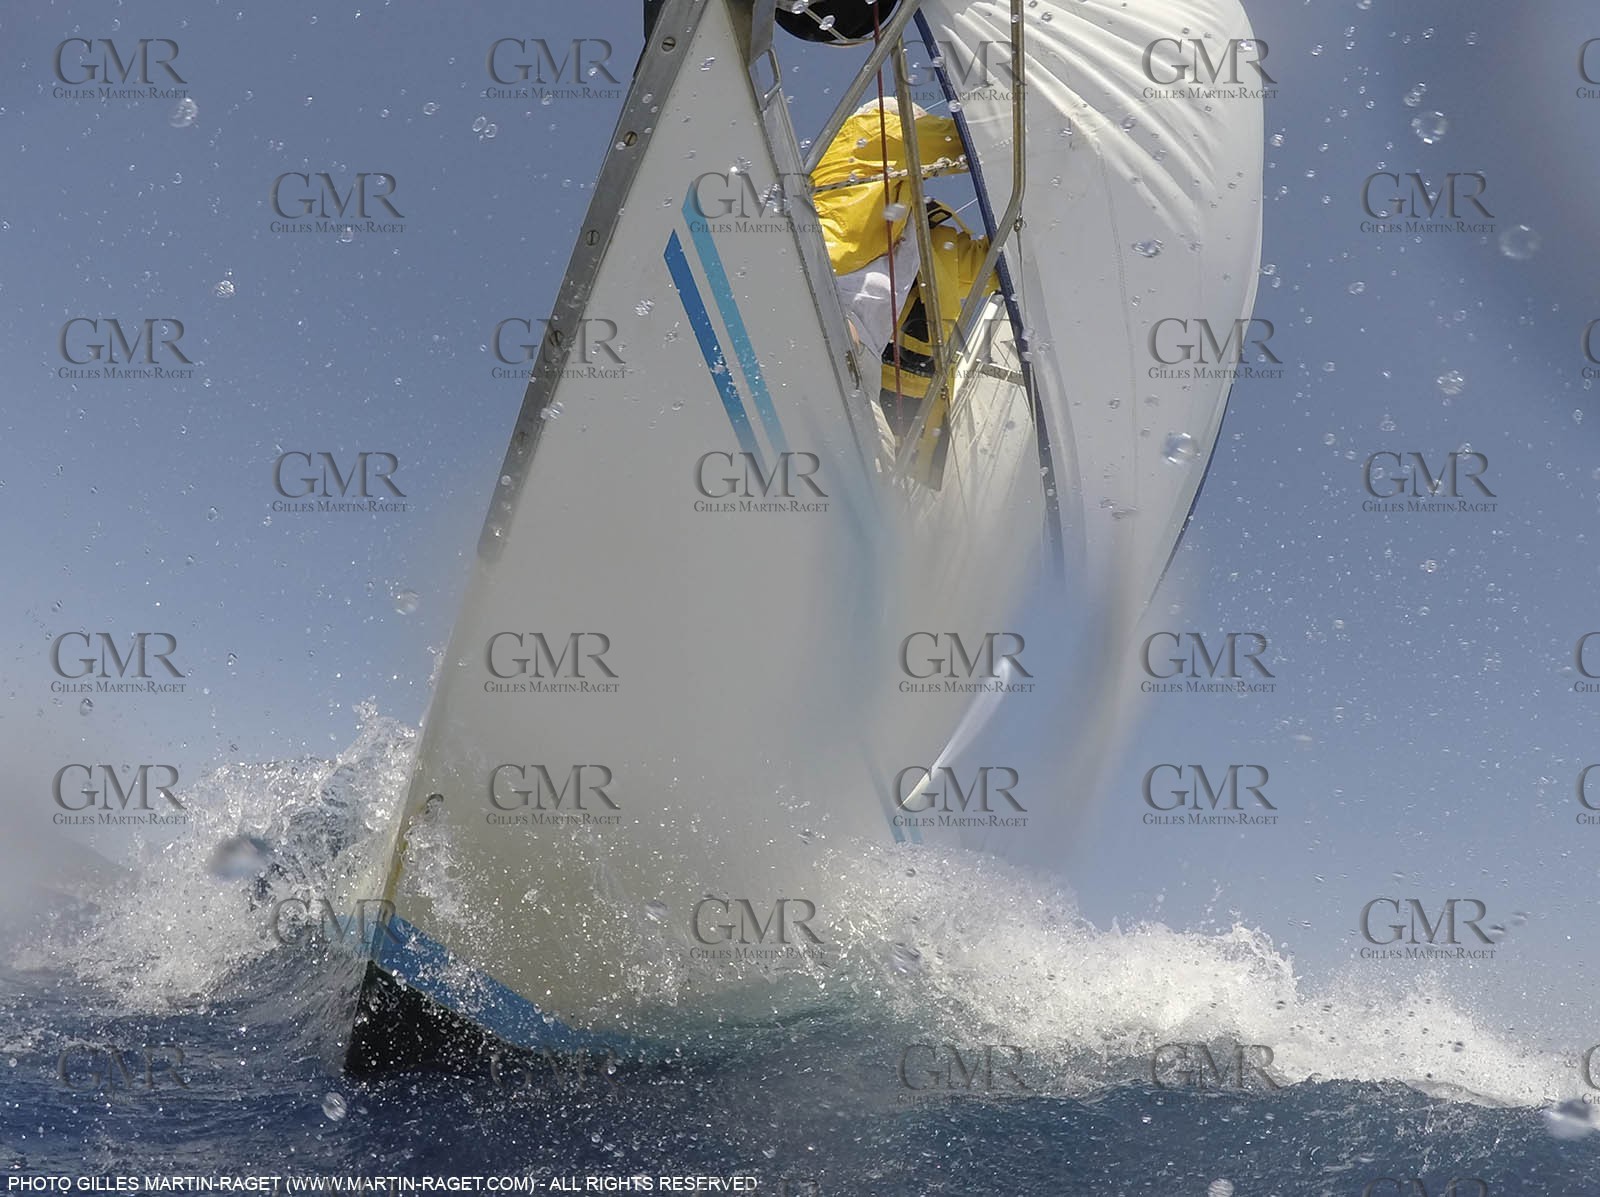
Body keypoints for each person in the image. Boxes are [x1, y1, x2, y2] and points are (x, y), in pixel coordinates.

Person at [810, 98, 999, 456]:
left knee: (868, 468)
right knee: (863, 465)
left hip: (860, 353)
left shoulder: (920, 229)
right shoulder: (870, 132)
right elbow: (966, 142)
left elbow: (987, 269)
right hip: (823, 305)